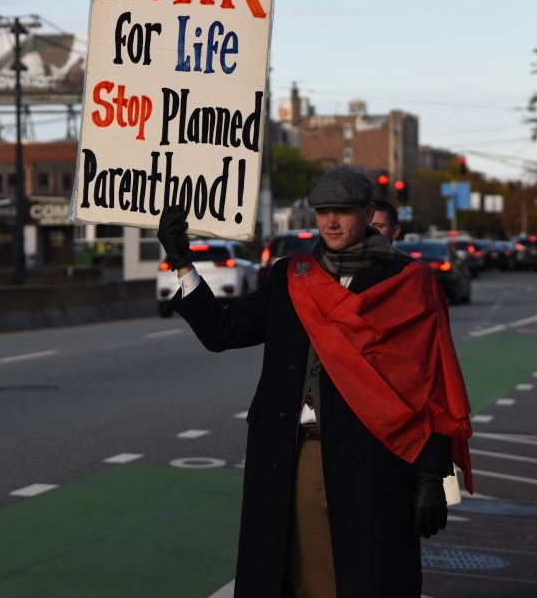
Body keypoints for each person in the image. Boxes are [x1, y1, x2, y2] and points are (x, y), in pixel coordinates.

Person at [159, 167, 474, 598]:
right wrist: (182, 263)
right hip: (292, 455)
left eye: (342, 211)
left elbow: (433, 384)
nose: (330, 222)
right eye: (322, 211)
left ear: (367, 212)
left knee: (368, 580)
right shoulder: (292, 276)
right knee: (298, 578)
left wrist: (431, 476)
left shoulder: (410, 281)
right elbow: (223, 332)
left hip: (375, 458)